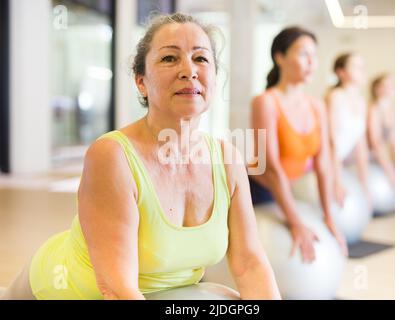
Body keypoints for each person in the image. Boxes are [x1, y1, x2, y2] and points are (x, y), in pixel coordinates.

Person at [1, 13, 280, 300]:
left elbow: (250, 264)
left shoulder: (227, 159)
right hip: (59, 291)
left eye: (201, 58)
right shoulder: (112, 155)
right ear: (141, 82)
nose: (189, 70)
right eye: (170, 58)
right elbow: (117, 288)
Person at [249, 26, 347, 264]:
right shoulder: (266, 102)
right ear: (280, 57)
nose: (312, 61)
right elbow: (271, 167)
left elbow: (323, 165)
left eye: (315, 55)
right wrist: (295, 223)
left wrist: (328, 217)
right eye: (303, 54)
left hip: (285, 188)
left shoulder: (317, 106)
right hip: (255, 190)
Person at [325, 53, 371, 207]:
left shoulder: (361, 101)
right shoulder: (335, 96)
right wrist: (336, 180)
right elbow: (331, 140)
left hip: (341, 161)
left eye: (363, 66)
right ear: (341, 72)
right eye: (356, 66)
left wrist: (365, 184)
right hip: (325, 160)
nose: (362, 70)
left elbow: (360, 144)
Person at [367, 73, 395, 192]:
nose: (393, 87)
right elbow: (375, 143)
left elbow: (394, 145)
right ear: (377, 89)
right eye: (388, 85)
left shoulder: (393, 111)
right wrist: (390, 172)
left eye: (394, 85)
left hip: (377, 154)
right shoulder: (373, 109)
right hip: (366, 155)